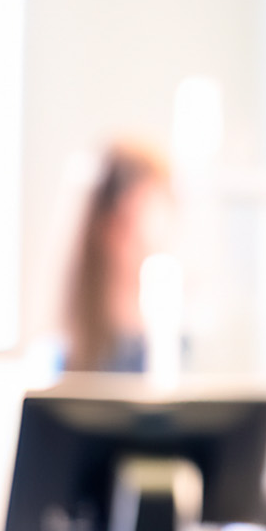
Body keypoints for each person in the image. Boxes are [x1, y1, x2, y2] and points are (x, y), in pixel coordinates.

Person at [60, 141, 176, 374]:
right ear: (107, 225)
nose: (150, 235)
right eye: (134, 218)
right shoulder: (60, 357)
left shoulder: (173, 348)